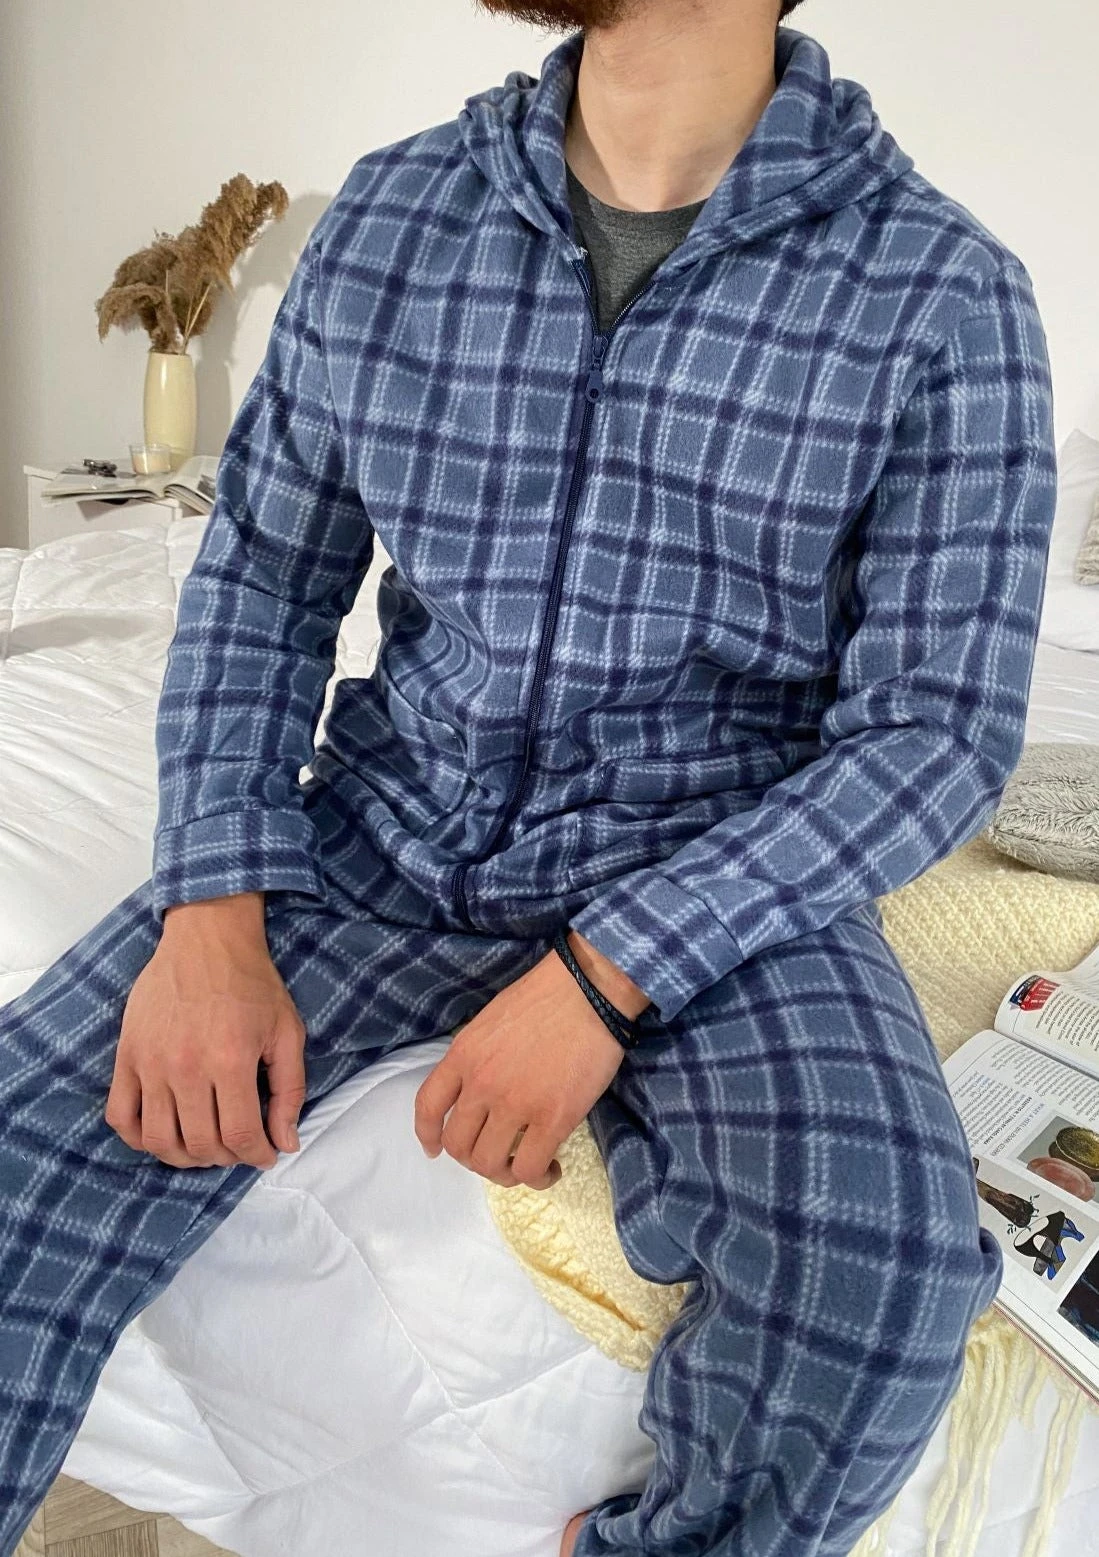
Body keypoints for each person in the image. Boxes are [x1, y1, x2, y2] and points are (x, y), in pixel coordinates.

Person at [0, 0, 1058, 1552]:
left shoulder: (940, 293)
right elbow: (265, 580)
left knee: (878, 1279)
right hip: (389, 822)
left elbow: (934, 737)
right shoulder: (396, 214)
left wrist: (603, 976)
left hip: (717, 870)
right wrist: (210, 908)